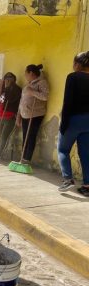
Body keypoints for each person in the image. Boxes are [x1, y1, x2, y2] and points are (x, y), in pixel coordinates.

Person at [57, 51, 89, 196]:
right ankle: (87, 186)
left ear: (77, 64)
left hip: (74, 119)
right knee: (86, 154)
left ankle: (68, 179)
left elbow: (67, 102)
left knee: (63, 149)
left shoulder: (73, 77)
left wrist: (63, 124)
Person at [16, 64, 49, 164]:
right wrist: (18, 116)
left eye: (26, 73)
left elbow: (45, 97)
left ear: (31, 73)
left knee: (30, 137)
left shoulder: (42, 82)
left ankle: (27, 159)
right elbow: (22, 101)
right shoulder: (28, 84)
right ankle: (23, 158)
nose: (25, 75)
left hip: (35, 114)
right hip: (25, 114)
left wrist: (33, 92)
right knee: (25, 136)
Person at [0, 72, 22, 157]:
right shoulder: (4, 89)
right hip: (1, 116)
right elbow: (0, 101)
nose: (7, 80)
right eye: (6, 78)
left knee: (4, 136)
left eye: (10, 78)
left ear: (14, 80)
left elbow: (10, 99)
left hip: (10, 117)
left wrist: (7, 88)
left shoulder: (17, 89)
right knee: (0, 135)